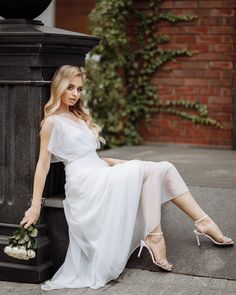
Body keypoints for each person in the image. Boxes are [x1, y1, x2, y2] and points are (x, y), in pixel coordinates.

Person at [20, 65, 234, 291]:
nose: (75, 94)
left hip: (99, 171)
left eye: (80, 89)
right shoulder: (52, 122)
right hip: (84, 183)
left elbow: (89, 155)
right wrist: (35, 205)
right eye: (70, 87)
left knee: (165, 167)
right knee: (152, 171)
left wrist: (116, 162)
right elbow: (43, 165)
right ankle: (157, 236)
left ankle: (201, 223)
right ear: (59, 86)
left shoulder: (78, 117)